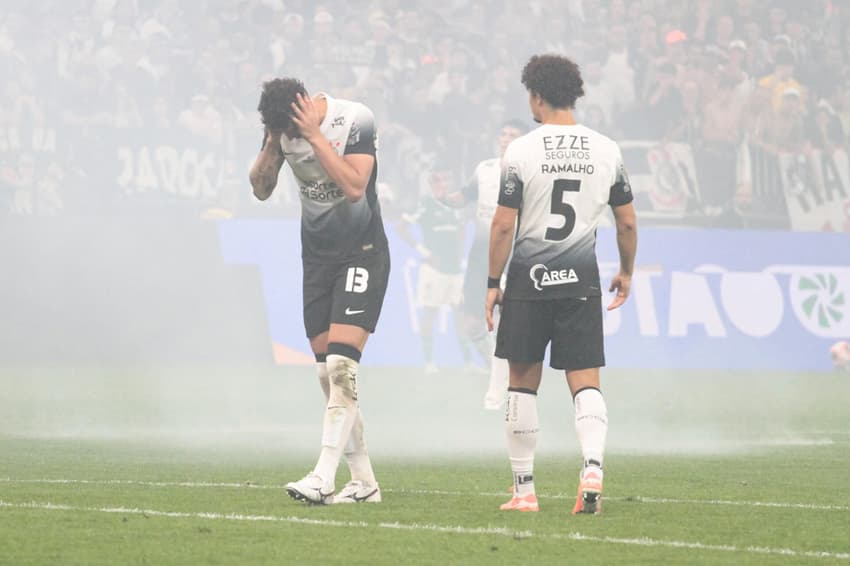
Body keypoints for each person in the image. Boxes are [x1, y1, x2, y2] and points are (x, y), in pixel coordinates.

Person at [485, 54, 637, 514]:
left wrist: (493, 281)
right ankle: (592, 466)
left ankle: (524, 490)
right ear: (574, 94)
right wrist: (626, 271)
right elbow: (626, 222)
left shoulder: (522, 151)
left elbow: (502, 226)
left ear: (535, 95)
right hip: (580, 282)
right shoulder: (607, 149)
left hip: (530, 283)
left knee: (521, 384)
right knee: (585, 382)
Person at [250, 77, 389, 505]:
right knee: (326, 374)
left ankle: (323, 475)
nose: (292, 139)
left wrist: (312, 134)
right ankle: (364, 483)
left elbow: (353, 187)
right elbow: (260, 188)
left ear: (306, 106)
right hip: (317, 258)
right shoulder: (280, 131)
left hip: (362, 252)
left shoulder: (354, 119)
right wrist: (273, 142)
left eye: (293, 128)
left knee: (343, 367)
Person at [442, 121, 527, 408]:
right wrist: (444, 196)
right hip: (481, 255)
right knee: (472, 323)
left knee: (504, 322)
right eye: (503, 134)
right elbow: (463, 198)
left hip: (514, 253)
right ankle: (498, 370)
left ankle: (498, 387)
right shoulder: (485, 169)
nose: (505, 139)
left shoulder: (529, 172)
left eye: (512, 135)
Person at [396, 161, 467, 374]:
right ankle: (428, 362)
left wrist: (461, 255)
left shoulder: (457, 205)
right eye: (437, 179)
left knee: (460, 315)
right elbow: (401, 227)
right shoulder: (425, 204)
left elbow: (462, 230)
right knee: (430, 313)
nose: (442, 184)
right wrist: (425, 253)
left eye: (446, 179)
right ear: (430, 182)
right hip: (434, 269)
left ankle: (468, 362)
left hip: (455, 269)